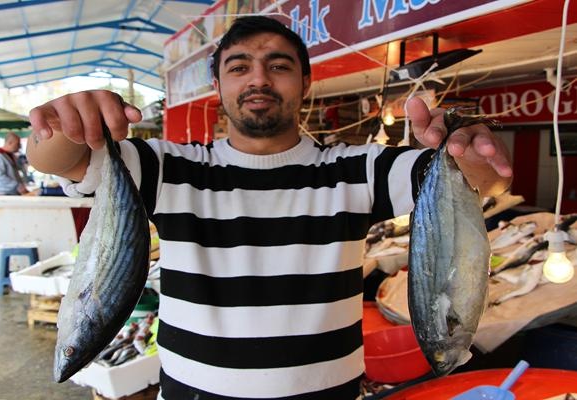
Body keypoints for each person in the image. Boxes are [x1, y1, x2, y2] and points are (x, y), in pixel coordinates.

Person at [27, 17, 512, 400]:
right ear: (218, 85)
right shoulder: (166, 166)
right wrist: (66, 122)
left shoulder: (358, 168)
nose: (258, 78)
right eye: (239, 67)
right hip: (191, 393)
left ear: (305, 82)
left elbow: (472, 181)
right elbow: (62, 160)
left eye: (278, 66)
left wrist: (468, 149)